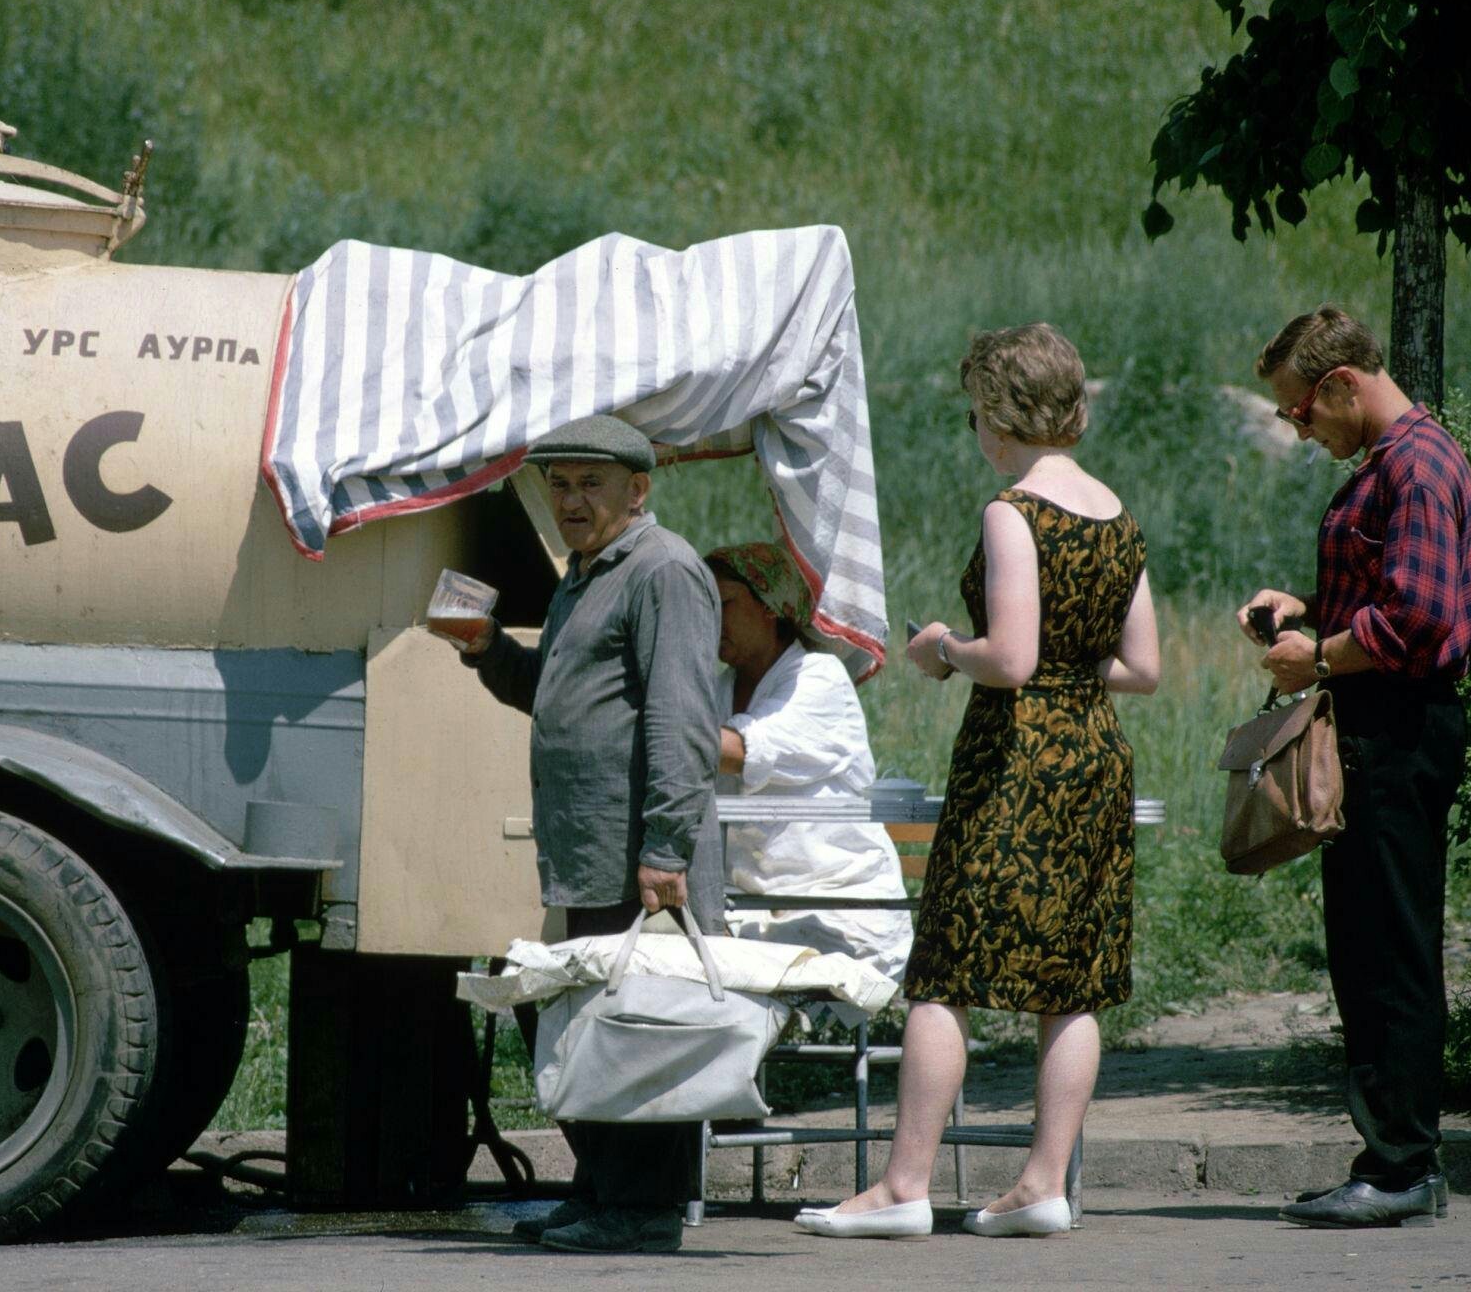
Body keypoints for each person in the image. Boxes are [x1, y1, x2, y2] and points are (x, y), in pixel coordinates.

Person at [797, 323, 1158, 1240]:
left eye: (974, 414)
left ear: (999, 416)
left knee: (946, 970)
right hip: (1094, 754)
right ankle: (1044, 1182)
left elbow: (1012, 656)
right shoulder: (1117, 513)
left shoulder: (1013, 511)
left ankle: (902, 1185)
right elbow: (1142, 667)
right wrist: (1064, 668)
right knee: (1070, 982)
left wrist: (942, 650)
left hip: (1018, 760)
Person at [439, 414, 723, 1254]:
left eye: (589, 484)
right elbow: (555, 695)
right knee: (586, 1022)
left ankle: (641, 1209)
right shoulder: (584, 573)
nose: (570, 499)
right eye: (558, 484)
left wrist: (666, 847)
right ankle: (605, 1188)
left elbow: (682, 718)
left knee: (637, 1028)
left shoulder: (662, 571)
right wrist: (487, 648)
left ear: (638, 491)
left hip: (637, 850)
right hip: (587, 847)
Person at [1237, 306, 1471, 1231]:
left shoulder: (1414, 465)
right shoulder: (1395, 464)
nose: (1301, 430)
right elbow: (1389, 590)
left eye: (1301, 412)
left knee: (1391, 952)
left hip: (1397, 726)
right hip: (1378, 721)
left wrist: (1319, 657)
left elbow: (1415, 620)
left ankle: (1401, 1166)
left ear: (1342, 383)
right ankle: (1391, 1158)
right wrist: (1303, 605)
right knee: (1369, 946)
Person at [704, 541, 912, 980]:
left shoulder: (820, 680)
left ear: (771, 608)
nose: (712, 618)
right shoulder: (719, 689)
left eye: (724, 603)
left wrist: (653, 727)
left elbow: (742, 751)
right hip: (751, 908)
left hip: (836, 907)